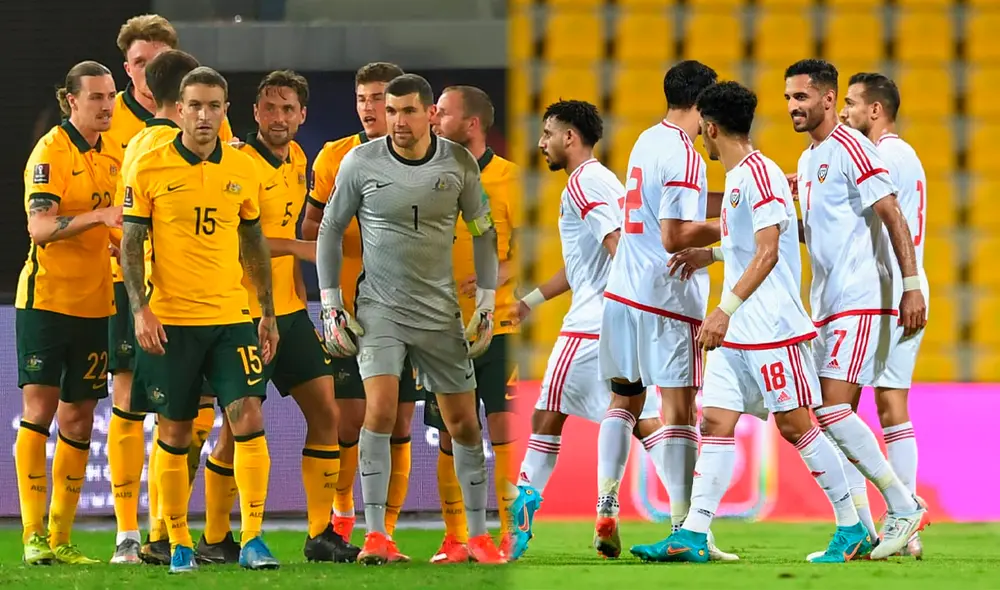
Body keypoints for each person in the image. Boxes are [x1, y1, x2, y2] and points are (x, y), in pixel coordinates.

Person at [630, 81, 869, 563]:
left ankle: (853, 527)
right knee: (714, 420)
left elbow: (770, 249)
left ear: (712, 127)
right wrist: (710, 255)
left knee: (796, 424)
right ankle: (692, 535)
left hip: (771, 327)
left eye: (703, 131)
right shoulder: (741, 177)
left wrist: (724, 309)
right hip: (739, 331)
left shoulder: (759, 175)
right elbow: (747, 246)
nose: (700, 139)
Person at [316, 73, 505, 565]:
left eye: (407, 111)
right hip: (379, 310)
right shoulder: (359, 162)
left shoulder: (459, 164)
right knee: (378, 412)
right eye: (391, 110)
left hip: (440, 313)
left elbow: (484, 233)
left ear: (429, 115)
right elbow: (330, 230)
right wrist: (332, 300)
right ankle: (376, 537)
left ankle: (478, 538)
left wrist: (485, 303)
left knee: (464, 422)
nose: (397, 121)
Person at [196, 69, 360, 564]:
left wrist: (313, 301)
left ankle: (319, 533)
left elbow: (288, 231)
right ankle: (217, 537)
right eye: (270, 108)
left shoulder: (297, 159)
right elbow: (239, 238)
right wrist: (303, 249)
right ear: (255, 113)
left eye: (288, 109)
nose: (279, 118)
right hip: (242, 313)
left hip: (290, 312)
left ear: (302, 115)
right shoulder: (238, 163)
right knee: (236, 426)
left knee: (326, 413)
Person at [121, 66, 280, 574]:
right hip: (171, 319)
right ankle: (180, 540)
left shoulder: (243, 169)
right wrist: (140, 309)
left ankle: (253, 538)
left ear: (225, 111)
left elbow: (253, 242)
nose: (205, 115)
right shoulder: (149, 166)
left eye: (215, 106)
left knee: (248, 417)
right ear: (180, 110)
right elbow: (130, 243)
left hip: (231, 315)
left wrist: (267, 312)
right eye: (196, 105)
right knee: (176, 429)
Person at [509, 99, 669, 561]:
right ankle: (688, 514)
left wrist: (634, 301)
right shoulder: (606, 181)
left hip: (590, 326)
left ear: (570, 138)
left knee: (546, 418)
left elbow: (616, 245)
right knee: (644, 421)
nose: (541, 143)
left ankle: (521, 513)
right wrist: (530, 302)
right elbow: (582, 266)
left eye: (547, 134)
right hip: (622, 323)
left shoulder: (583, 184)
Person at [784, 58, 927, 560]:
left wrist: (911, 285)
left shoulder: (855, 147)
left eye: (802, 97)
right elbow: (803, 229)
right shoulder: (807, 161)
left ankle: (903, 507)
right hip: (824, 301)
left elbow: (891, 213)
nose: (792, 107)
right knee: (828, 414)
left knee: (833, 408)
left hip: (861, 297)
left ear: (827, 99)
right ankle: (864, 527)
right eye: (787, 98)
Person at [596, 61, 735, 560]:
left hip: (621, 296)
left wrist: (748, 196)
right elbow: (676, 234)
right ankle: (684, 528)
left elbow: (679, 204)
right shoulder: (687, 154)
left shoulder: (646, 141)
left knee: (624, 402)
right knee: (679, 412)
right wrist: (741, 223)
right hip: (667, 300)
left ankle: (605, 505)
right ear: (703, 104)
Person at [105, 15, 231, 565]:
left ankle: (165, 528)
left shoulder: (207, 125)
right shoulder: (110, 120)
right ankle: (128, 533)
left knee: (190, 413)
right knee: (130, 403)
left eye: (155, 61)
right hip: (130, 286)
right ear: (127, 67)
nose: (146, 71)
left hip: (196, 291)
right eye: (137, 61)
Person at [302, 62, 420, 551]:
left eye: (379, 99)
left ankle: (387, 528)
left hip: (411, 310)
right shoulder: (334, 158)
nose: (370, 108)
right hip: (351, 311)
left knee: (400, 421)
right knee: (350, 419)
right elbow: (310, 231)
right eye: (363, 99)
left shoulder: (424, 159)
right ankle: (345, 515)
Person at [15, 60, 122, 566]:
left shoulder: (113, 155)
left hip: (95, 302)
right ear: (71, 101)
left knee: (79, 419)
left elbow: (118, 225)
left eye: (111, 96)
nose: (106, 106)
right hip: (47, 300)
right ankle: (32, 535)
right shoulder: (51, 152)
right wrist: (97, 217)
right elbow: (38, 228)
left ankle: (61, 537)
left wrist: (122, 241)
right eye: (96, 97)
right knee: (39, 411)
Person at [426, 85, 520, 562]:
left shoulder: (511, 180)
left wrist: (491, 278)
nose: (433, 119)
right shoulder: (432, 175)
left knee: (502, 429)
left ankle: (508, 535)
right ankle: (456, 537)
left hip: (498, 327)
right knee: (449, 433)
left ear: (472, 124)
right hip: (441, 330)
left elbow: (533, 252)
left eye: (442, 113)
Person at [839, 72, 928, 559]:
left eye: (851, 104)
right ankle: (904, 523)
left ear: (875, 110)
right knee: (890, 408)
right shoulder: (905, 154)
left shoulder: (882, 155)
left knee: (841, 407)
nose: (847, 113)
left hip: (890, 290)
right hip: (898, 287)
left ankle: (881, 518)